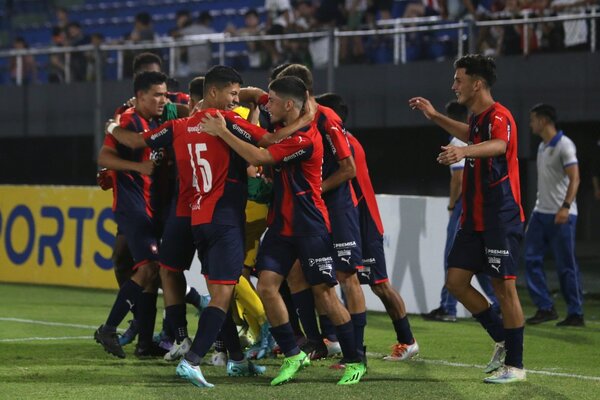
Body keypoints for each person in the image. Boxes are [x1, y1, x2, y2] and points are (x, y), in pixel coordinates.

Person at [199, 76, 367, 386]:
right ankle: (292, 354)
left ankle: (356, 360)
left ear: (289, 105)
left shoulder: (305, 139)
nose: (267, 106)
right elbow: (262, 134)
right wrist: (223, 113)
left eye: (272, 102)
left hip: (310, 226)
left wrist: (224, 129)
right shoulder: (282, 127)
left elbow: (260, 154)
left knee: (326, 296)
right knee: (266, 286)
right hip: (281, 226)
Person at [409, 54, 526, 384]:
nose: (453, 85)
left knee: (505, 290)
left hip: (499, 218)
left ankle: (515, 366)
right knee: (456, 282)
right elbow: (472, 135)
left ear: (477, 84)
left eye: (458, 80)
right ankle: (503, 337)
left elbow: (500, 145)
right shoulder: (477, 120)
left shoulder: (498, 115)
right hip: (475, 220)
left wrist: (463, 151)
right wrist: (434, 116)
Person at [315, 92, 419, 362]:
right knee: (334, 277)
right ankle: (334, 338)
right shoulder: (340, 140)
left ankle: (406, 340)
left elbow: (351, 185)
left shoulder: (343, 143)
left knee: (378, 283)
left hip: (364, 221)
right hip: (351, 218)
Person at [277, 64, 367, 364]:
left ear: (300, 94)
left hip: (337, 206)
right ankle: (315, 342)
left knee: (346, 276)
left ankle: (358, 351)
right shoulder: (296, 121)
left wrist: (317, 188)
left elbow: (349, 169)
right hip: (312, 211)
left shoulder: (327, 119)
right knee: (296, 273)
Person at [94, 71, 169, 359]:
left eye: (164, 94)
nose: (163, 100)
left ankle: (144, 342)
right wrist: (138, 169)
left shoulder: (153, 122)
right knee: (150, 268)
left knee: (149, 274)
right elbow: (104, 158)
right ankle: (109, 328)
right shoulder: (127, 121)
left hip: (147, 206)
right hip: (132, 206)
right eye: (157, 95)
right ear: (140, 97)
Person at [422, 100, 500, 322]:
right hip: (476, 203)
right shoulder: (470, 138)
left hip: (463, 205)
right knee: (479, 262)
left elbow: (458, 178)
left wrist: (451, 205)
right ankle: (498, 303)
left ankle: (448, 308)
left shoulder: (458, 140)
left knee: (453, 256)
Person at [524, 103, 584, 327]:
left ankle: (575, 313)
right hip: (541, 213)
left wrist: (565, 206)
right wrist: (535, 215)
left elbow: (575, 178)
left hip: (562, 215)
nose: (530, 124)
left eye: (533, 119)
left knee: (565, 265)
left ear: (544, 121)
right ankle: (545, 307)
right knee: (530, 259)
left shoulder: (565, 145)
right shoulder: (542, 147)